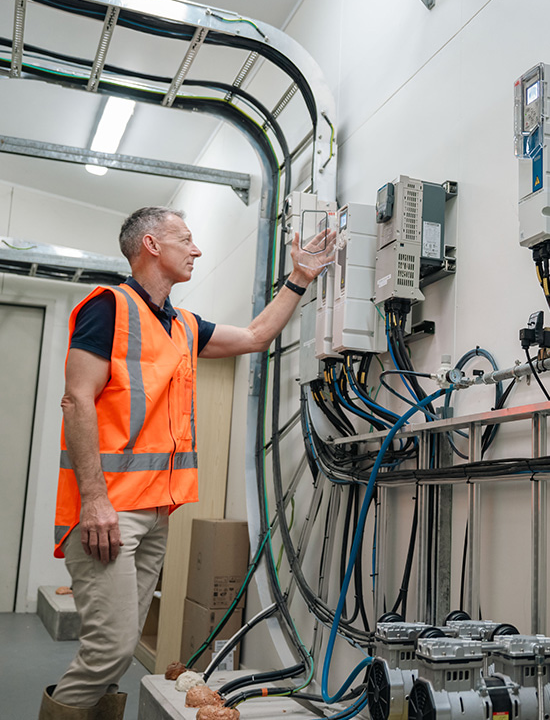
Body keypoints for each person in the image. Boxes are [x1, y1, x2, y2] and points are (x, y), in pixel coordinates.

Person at [40, 206, 334, 720]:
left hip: (154, 513)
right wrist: (94, 500)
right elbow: (76, 401)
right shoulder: (108, 307)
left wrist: (299, 277)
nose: (196, 250)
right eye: (186, 239)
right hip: (108, 512)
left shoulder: (181, 326)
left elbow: (255, 337)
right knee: (107, 650)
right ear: (151, 245)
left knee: (121, 646)